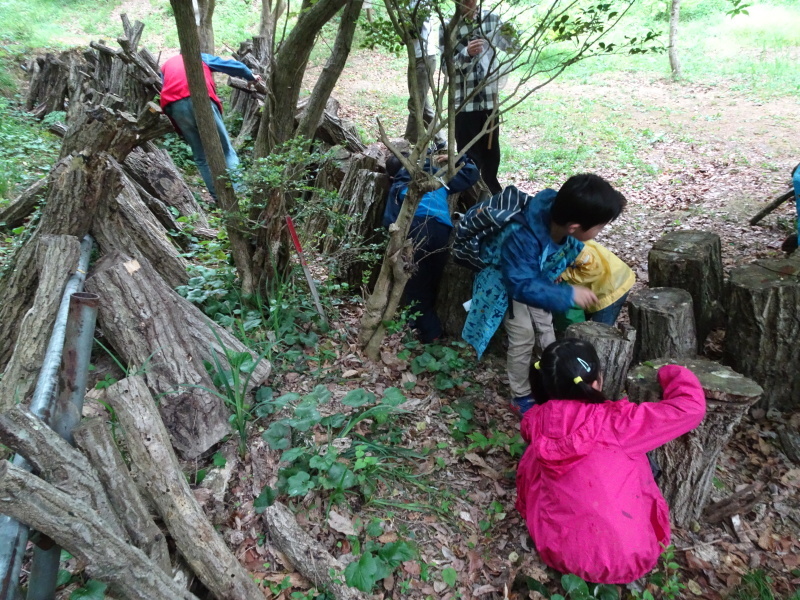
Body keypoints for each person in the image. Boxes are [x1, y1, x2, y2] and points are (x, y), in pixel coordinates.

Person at [515, 338, 706, 584]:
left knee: (533, 459)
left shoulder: (535, 420)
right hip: (625, 561)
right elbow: (690, 408)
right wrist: (673, 372)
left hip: (555, 551)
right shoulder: (618, 423)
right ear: (596, 382)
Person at [461, 174, 627, 415]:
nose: (600, 232)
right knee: (523, 337)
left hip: (537, 282)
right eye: (599, 227)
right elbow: (520, 284)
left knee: (545, 330)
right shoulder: (521, 235)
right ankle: (520, 395)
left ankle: (555, 380)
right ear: (574, 227)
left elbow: (551, 255)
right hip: (506, 286)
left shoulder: (557, 217)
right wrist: (567, 294)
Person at [384, 153, 480, 342]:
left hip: (417, 230)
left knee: (415, 286)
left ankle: (431, 333)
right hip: (442, 232)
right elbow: (471, 174)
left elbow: (389, 221)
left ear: (392, 176)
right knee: (430, 281)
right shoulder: (437, 181)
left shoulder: (399, 187)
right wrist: (460, 159)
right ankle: (423, 327)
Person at [160, 53, 261, 199]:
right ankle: (240, 194)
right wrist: (250, 76)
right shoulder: (197, 56)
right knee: (226, 150)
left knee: (201, 156)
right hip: (201, 100)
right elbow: (231, 66)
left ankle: (218, 198)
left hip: (175, 107)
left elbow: (164, 87)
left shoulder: (166, 65)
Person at [444, 0, 516, 195]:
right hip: (464, 104)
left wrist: (510, 31)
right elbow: (445, 67)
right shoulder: (449, 27)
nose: (468, 3)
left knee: (492, 155)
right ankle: (469, 197)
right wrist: (466, 53)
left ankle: (492, 196)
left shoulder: (491, 19)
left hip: (489, 102)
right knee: (469, 157)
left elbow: (513, 46)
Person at [553, 240, 636, 331]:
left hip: (613, 286)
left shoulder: (574, 248)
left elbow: (593, 268)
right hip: (600, 283)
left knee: (600, 330)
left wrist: (564, 274)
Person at [404, 2, 447, 149]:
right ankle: (440, 139)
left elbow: (411, 32)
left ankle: (409, 142)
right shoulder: (409, 4)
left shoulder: (420, 5)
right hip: (417, 57)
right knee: (422, 102)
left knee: (416, 103)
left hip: (424, 57)